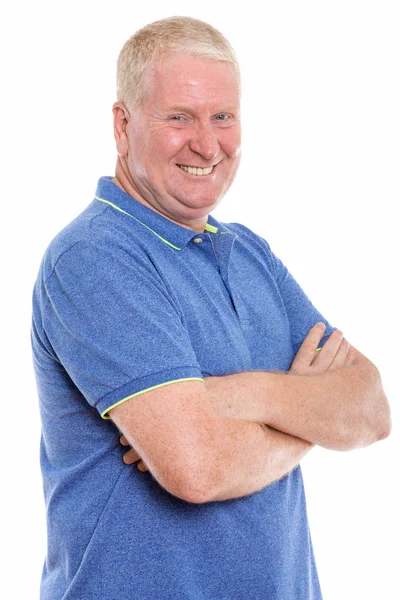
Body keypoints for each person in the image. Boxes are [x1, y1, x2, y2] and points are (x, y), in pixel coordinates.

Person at [31, 16, 391, 600]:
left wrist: (237, 397)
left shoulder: (249, 251)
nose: (207, 143)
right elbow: (197, 470)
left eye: (222, 116)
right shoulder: (95, 258)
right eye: (179, 117)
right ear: (122, 126)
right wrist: (308, 419)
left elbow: (372, 410)